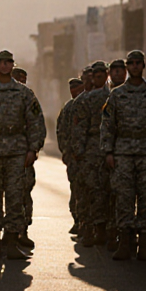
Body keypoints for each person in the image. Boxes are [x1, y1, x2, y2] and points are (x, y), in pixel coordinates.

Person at [0, 51, 45, 261]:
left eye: (9, 62)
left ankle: (12, 242)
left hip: (17, 152)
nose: (5, 66)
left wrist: (33, 149)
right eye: (1, 63)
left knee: (15, 198)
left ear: (12, 65)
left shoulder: (24, 94)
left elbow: (35, 122)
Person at [100, 49, 146, 260]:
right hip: (122, 153)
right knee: (124, 197)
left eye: (137, 63)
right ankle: (124, 242)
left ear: (143, 65)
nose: (134, 66)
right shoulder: (116, 95)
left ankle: (143, 243)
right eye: (130, 63)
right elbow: (107, 125)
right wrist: (108, 151)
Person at [68, 62, 111, 247]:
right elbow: (79, 128)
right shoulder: (86, 100)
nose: (98, 76)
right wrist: (78, 152)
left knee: (108, 191)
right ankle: (89, 229)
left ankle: (104, 230)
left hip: (109, 149)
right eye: (95, 74)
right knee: (90, 190)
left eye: (102, 73)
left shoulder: (114, 96)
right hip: (91, 151)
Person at [10, 66, 43, 250]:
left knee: (23, 194)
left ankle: (22, 231)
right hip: (3, 155)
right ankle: (6, 233)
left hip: (23, 156)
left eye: (23, 78)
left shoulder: (29, 97)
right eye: (17, 77)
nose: (20, 81)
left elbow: (38, 125)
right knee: (3, 195)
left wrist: (34, 148)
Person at [57, 77, 85, 236]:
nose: (74, 91)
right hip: (73, 156)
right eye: (72, 88)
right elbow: (61, 130)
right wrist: (65, 151)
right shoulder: (68, 108)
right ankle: (78, 219)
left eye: (77, 87)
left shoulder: (85, 103)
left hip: (88, 155)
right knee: (76, 189)